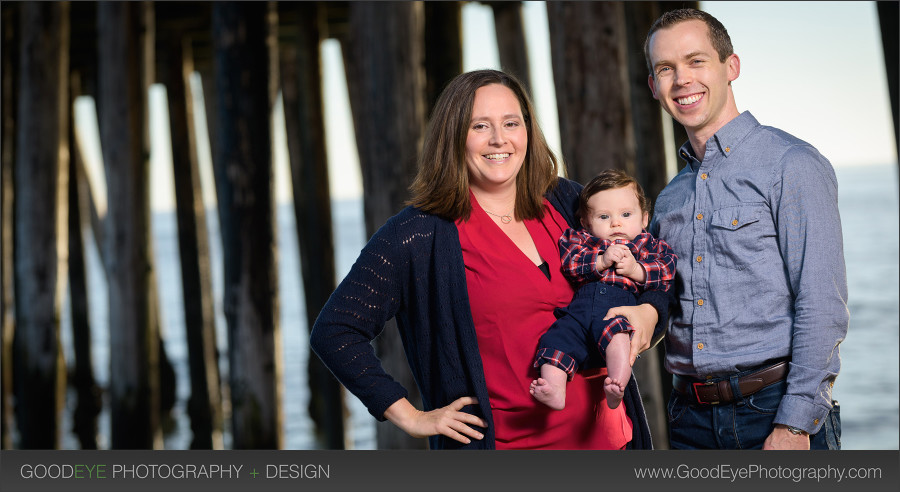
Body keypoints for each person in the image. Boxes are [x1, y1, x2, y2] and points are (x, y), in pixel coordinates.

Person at [310, 70, 671, 449]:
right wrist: (410, 415)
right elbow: (335, 331)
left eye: (511, 123)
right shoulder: (419, 233)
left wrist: (649, 315)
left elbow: (654, 266)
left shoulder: (570, 202)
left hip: (612, 443)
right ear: (453, 137)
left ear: (527, 131)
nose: (499, 139)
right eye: (479, 126)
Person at [643, 8, 848, 449]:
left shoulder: (790, 164)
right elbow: (662, 307)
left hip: (773, 412)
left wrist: (794, 425)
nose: (682, 80)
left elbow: (822, 306)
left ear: (731, 67)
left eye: (696, 61)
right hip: (689, 422)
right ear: (653, 87)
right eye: (666, 69)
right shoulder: (669, 200)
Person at [530, 170, 676, 411]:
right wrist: (600, 260)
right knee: (557, 337)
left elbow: (666, 271)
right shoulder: (581, 239)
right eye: (604, 216)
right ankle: (554, 388)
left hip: (617, 308)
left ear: (644, 219)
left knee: (617, 336)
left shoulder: (648, 244)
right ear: (586, 223)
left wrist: (635, 270)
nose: (616, 223)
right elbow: (571, 264)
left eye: (626, 214)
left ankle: (618, 381)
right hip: (579, 310)